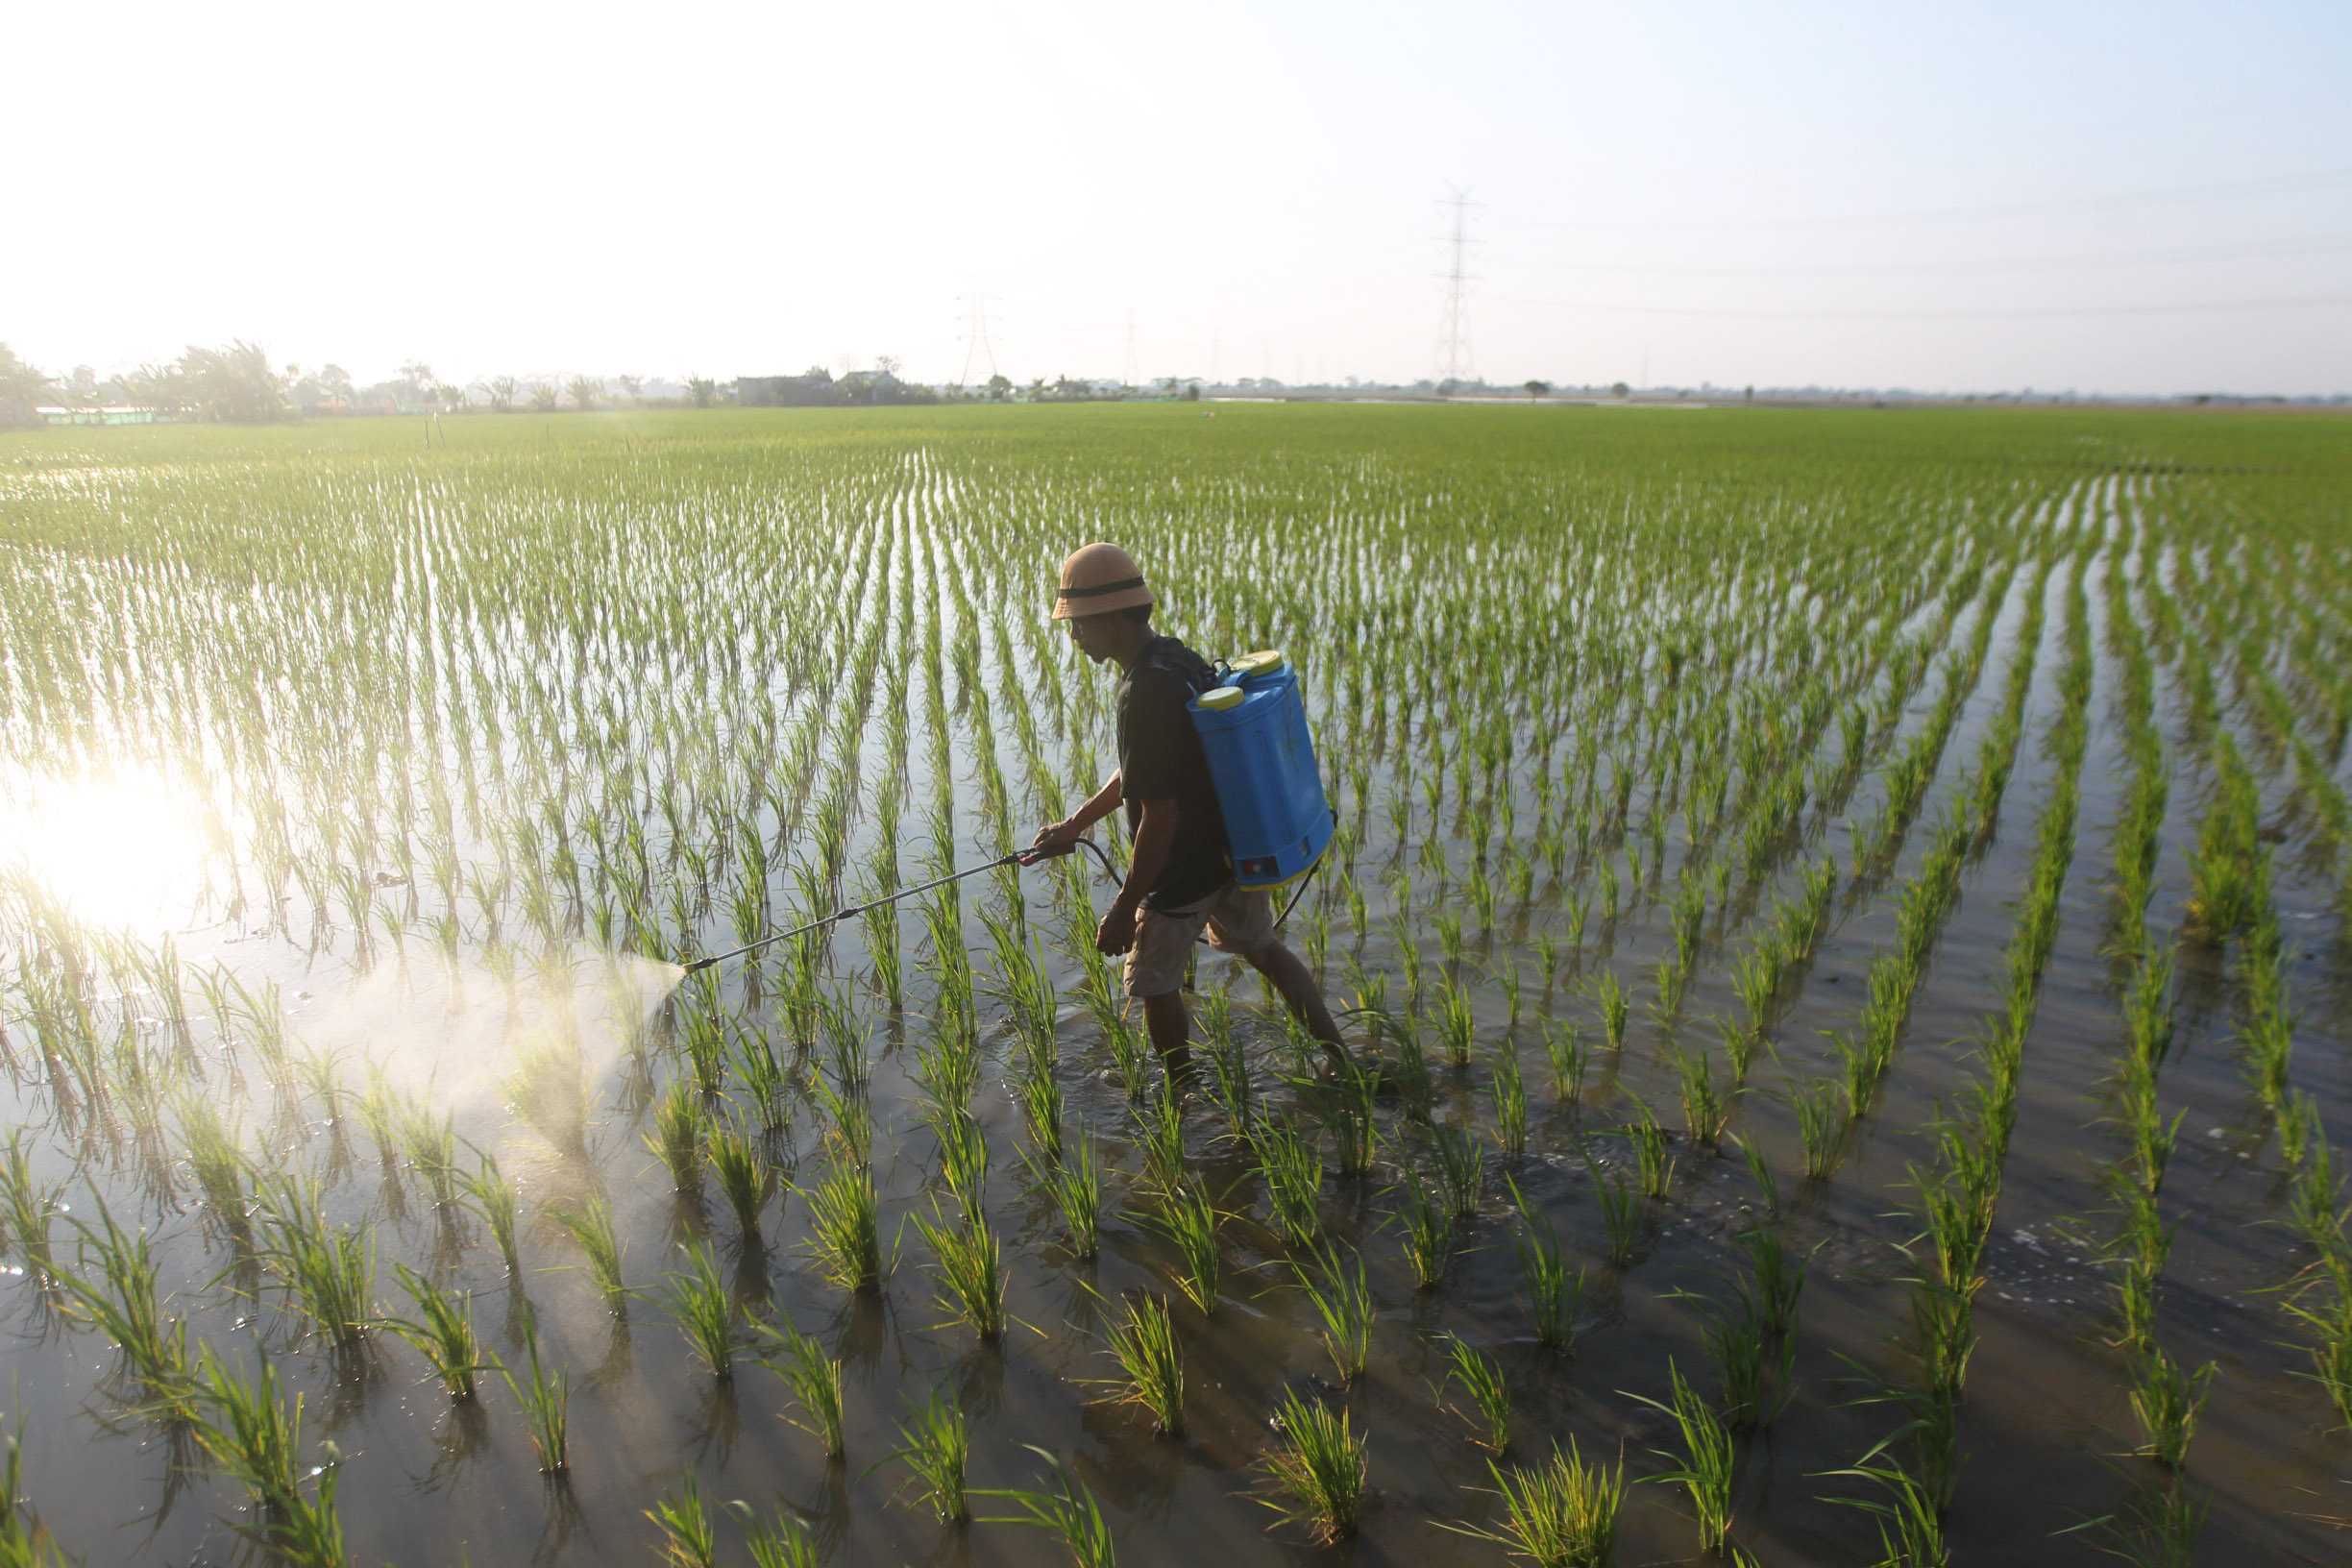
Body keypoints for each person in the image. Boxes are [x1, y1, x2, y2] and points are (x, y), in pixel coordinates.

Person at [1024, 542, 1349, 1076]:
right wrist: (1073, 825)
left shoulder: (1141, 693)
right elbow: (1141, 772)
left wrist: (1127, 905)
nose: (1074, 636)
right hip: (1233, 848)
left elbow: (1160, 814)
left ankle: (1181, 1101)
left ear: (1110, 618)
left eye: (1078, 623)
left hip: (1181, 873)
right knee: (1266, 951)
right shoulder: (1176, 659)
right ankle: (1340, 1058)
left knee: (1154, 983)